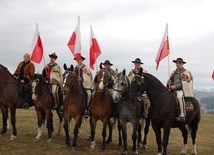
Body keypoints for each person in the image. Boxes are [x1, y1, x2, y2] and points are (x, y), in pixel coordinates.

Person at [167, 57, 193, 122]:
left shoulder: (186, 72)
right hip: (172, 89)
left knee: (179, 97)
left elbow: (186, 83)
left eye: (179, 63)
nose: (178, 64)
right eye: (177, 63)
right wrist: (169, 83)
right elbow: (171, 81)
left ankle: (182, 115)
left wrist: (175, 86)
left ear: (182, 64)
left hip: (181, 90)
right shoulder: (174, 72)